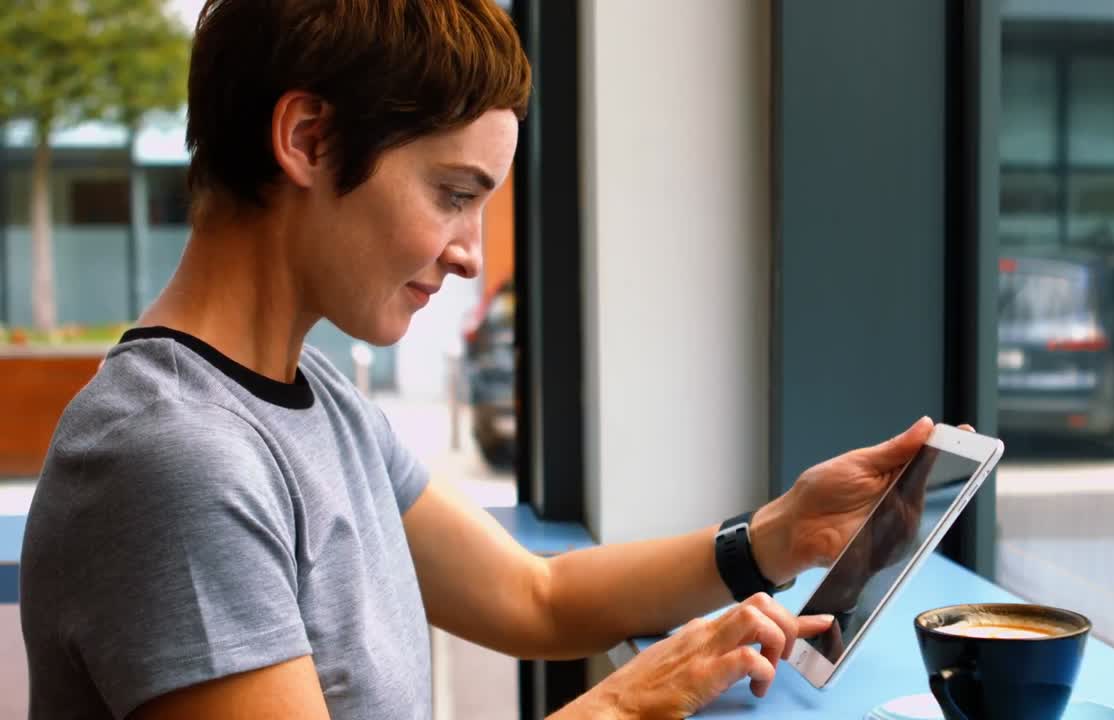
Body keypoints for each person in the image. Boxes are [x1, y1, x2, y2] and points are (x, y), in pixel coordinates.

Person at [18, 1, 947, 718]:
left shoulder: (314, 401)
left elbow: (533, 595)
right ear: (307, 140)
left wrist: (779, 533)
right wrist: (627, 701)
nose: (470, 252)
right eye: (453, 193)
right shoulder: (173, 461)